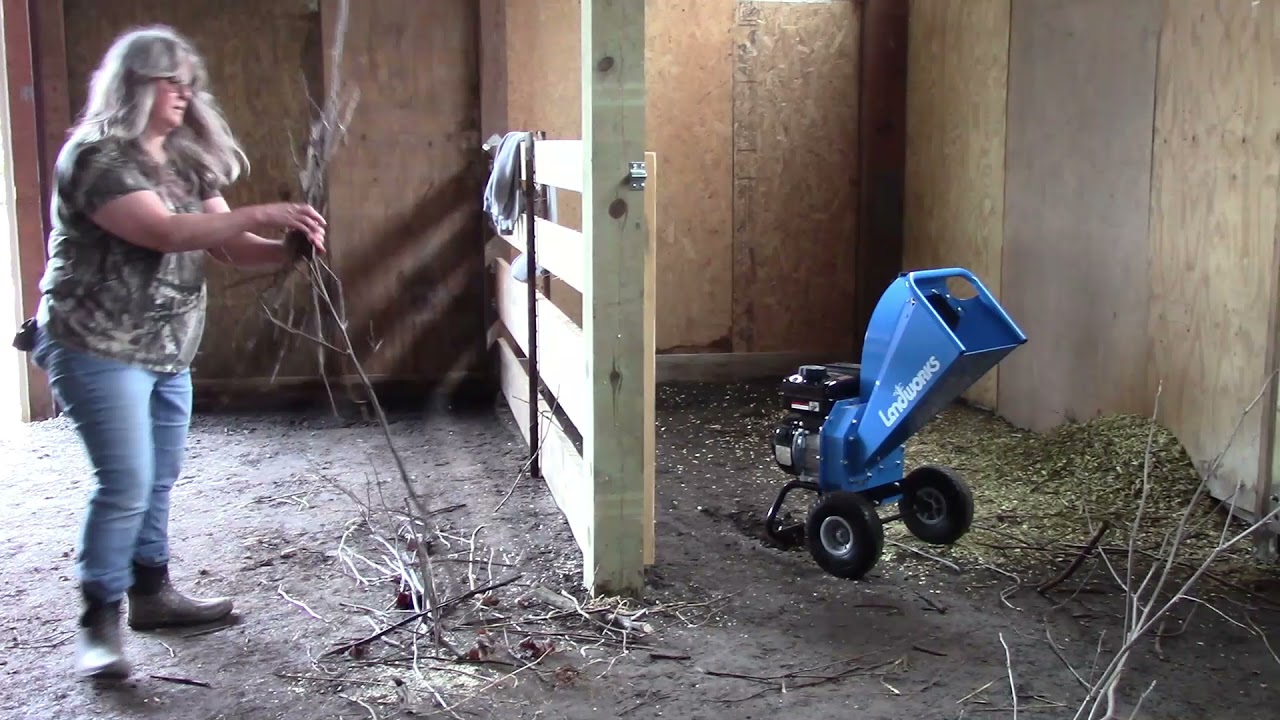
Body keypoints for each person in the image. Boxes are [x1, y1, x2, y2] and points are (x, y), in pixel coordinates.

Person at [26, 25, 327, 680]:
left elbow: (224, 246)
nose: (185, 94)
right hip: (95, 342)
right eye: (172, 81)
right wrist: (264, 212)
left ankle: (152, 594)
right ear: (136, 83)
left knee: (157, 476)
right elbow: (163, 232)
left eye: (190, 83)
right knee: (125, 481)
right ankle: (97, 623)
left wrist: (286, 251)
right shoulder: (97, 159)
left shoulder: (185, 161)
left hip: (167, 345)